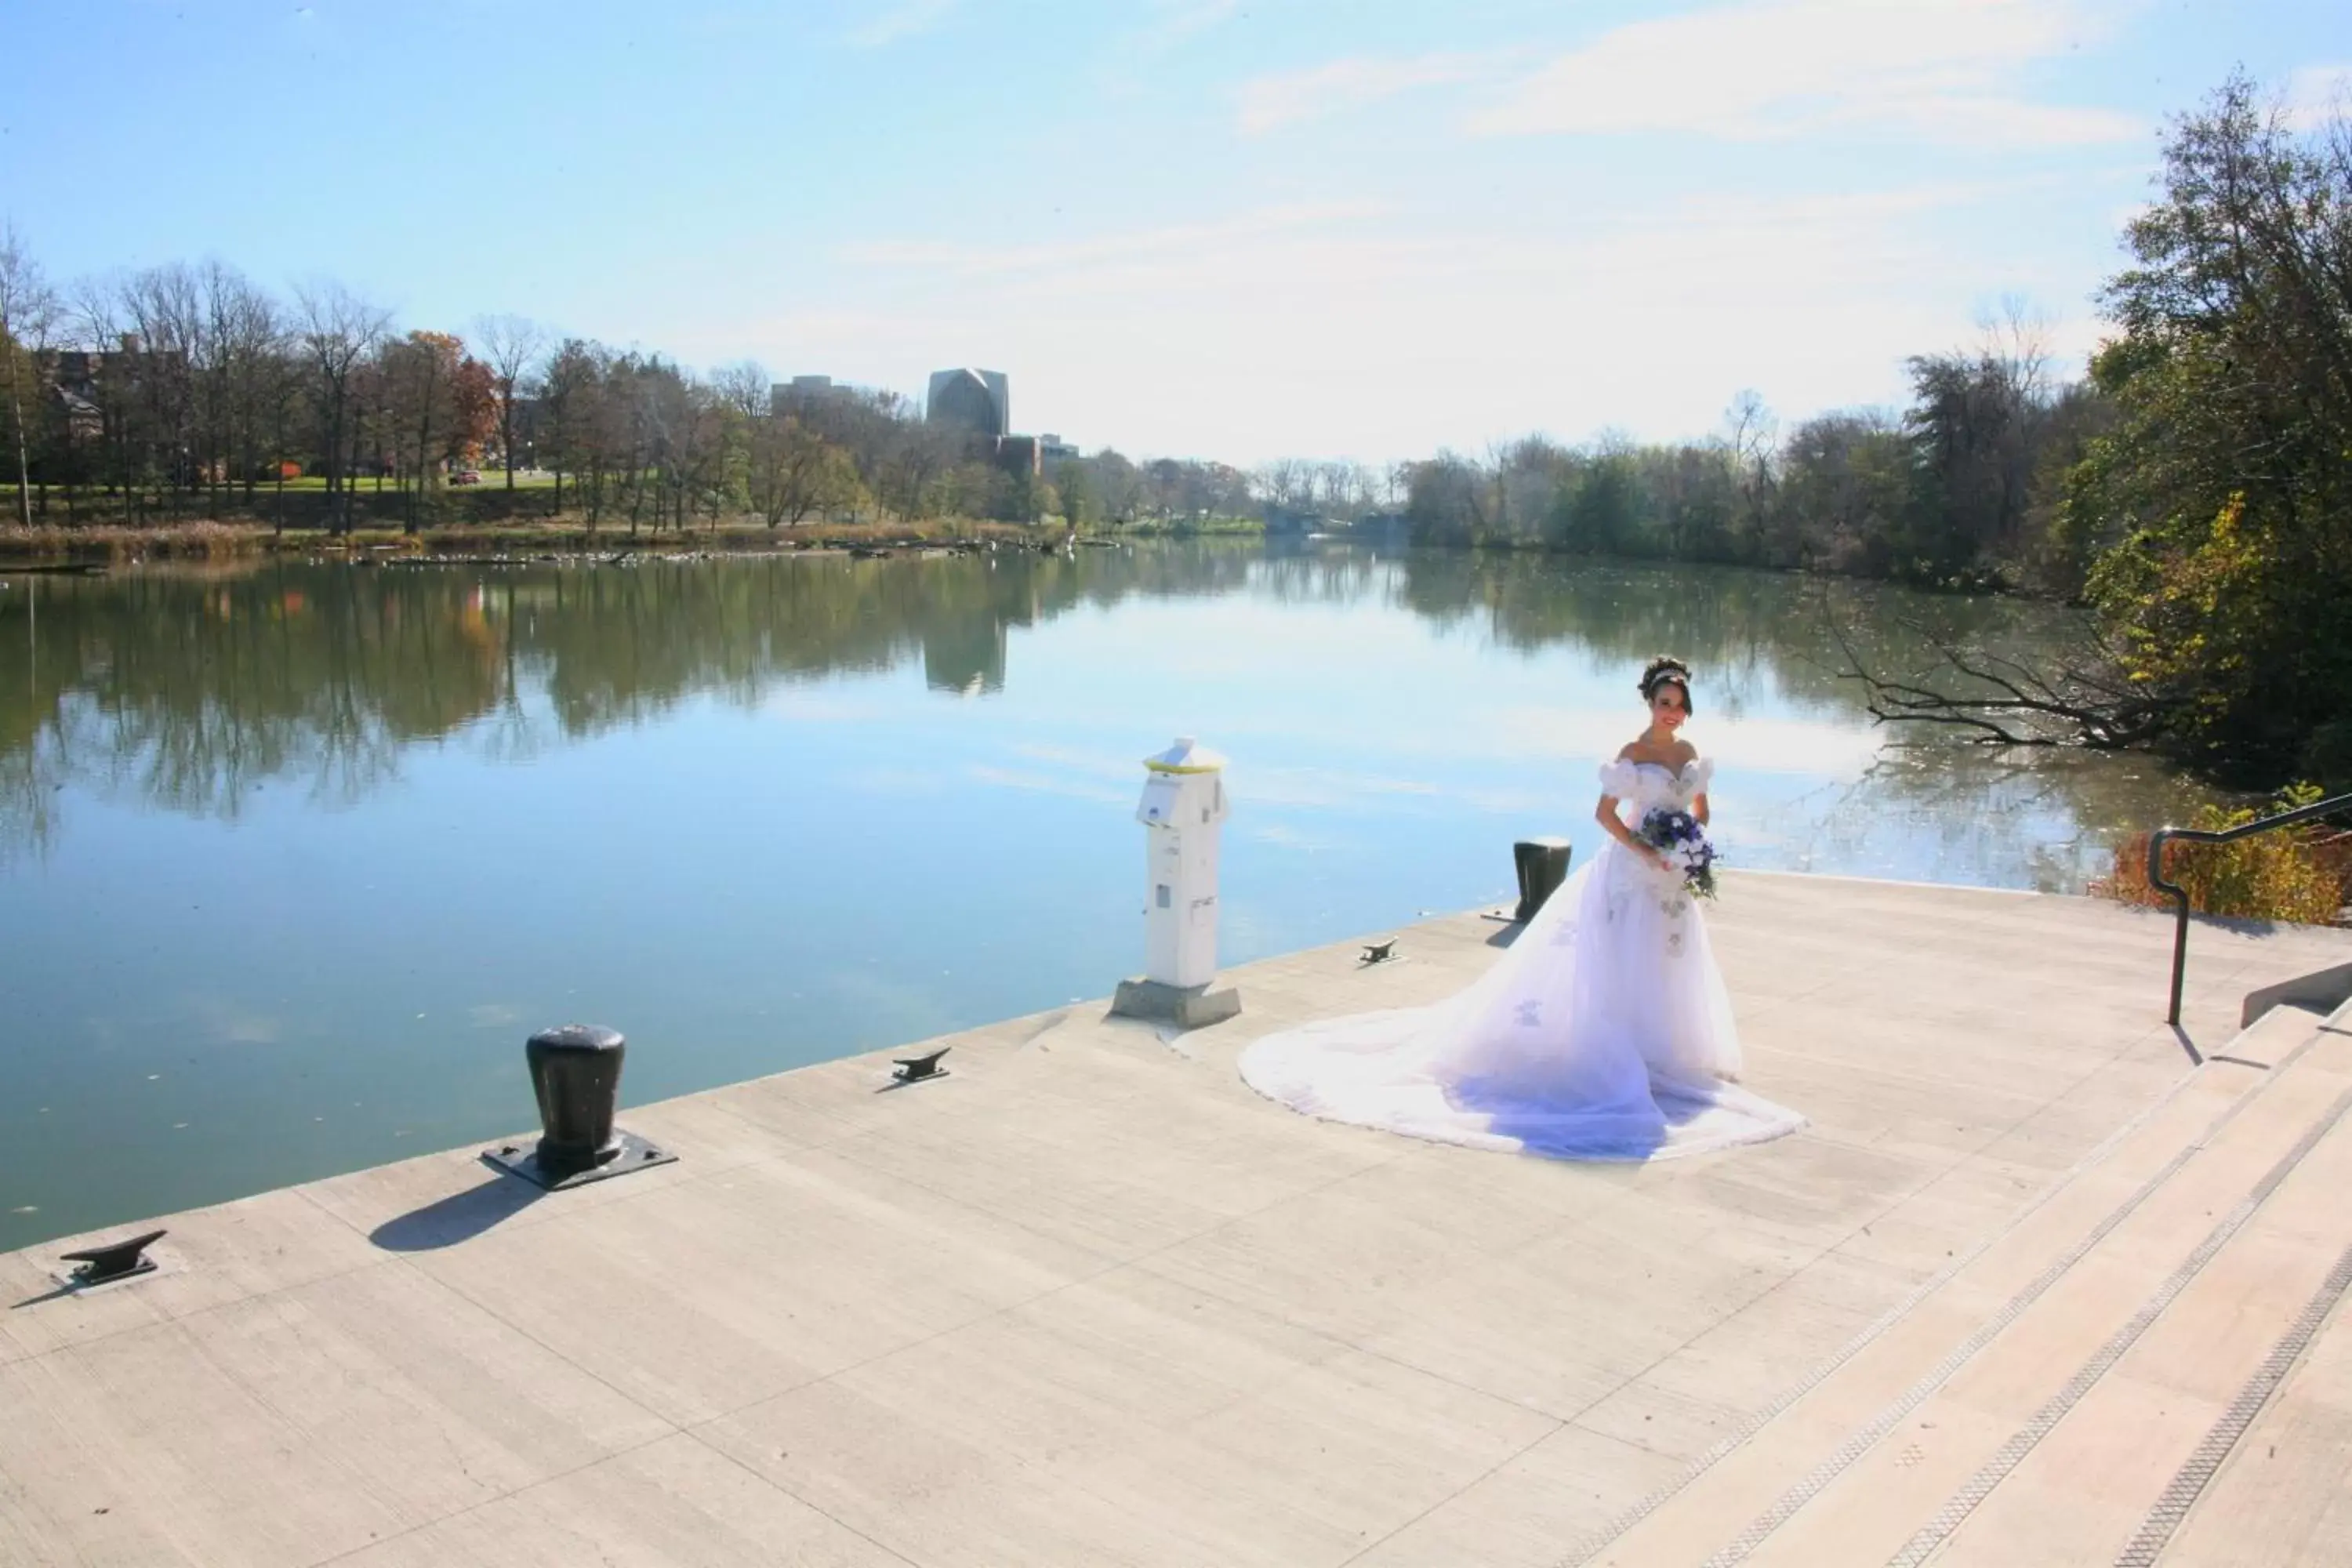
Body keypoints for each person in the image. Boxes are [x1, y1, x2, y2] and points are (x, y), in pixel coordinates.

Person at [1238, 655, 1804, 1161]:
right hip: (1630, 874)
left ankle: (1661, 1054)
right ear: (1649, 703)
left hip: (1671, 882)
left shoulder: (1687, 753)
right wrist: (1645, 848)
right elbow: (1605, 816)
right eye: (1664, 704)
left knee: (1667, 962)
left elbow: (1700, 810)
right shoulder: (1631, 755)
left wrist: (1686, 844)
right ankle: (1614, 1056)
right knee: (1619, 961)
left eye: (1680, 707)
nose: (1672, 715)